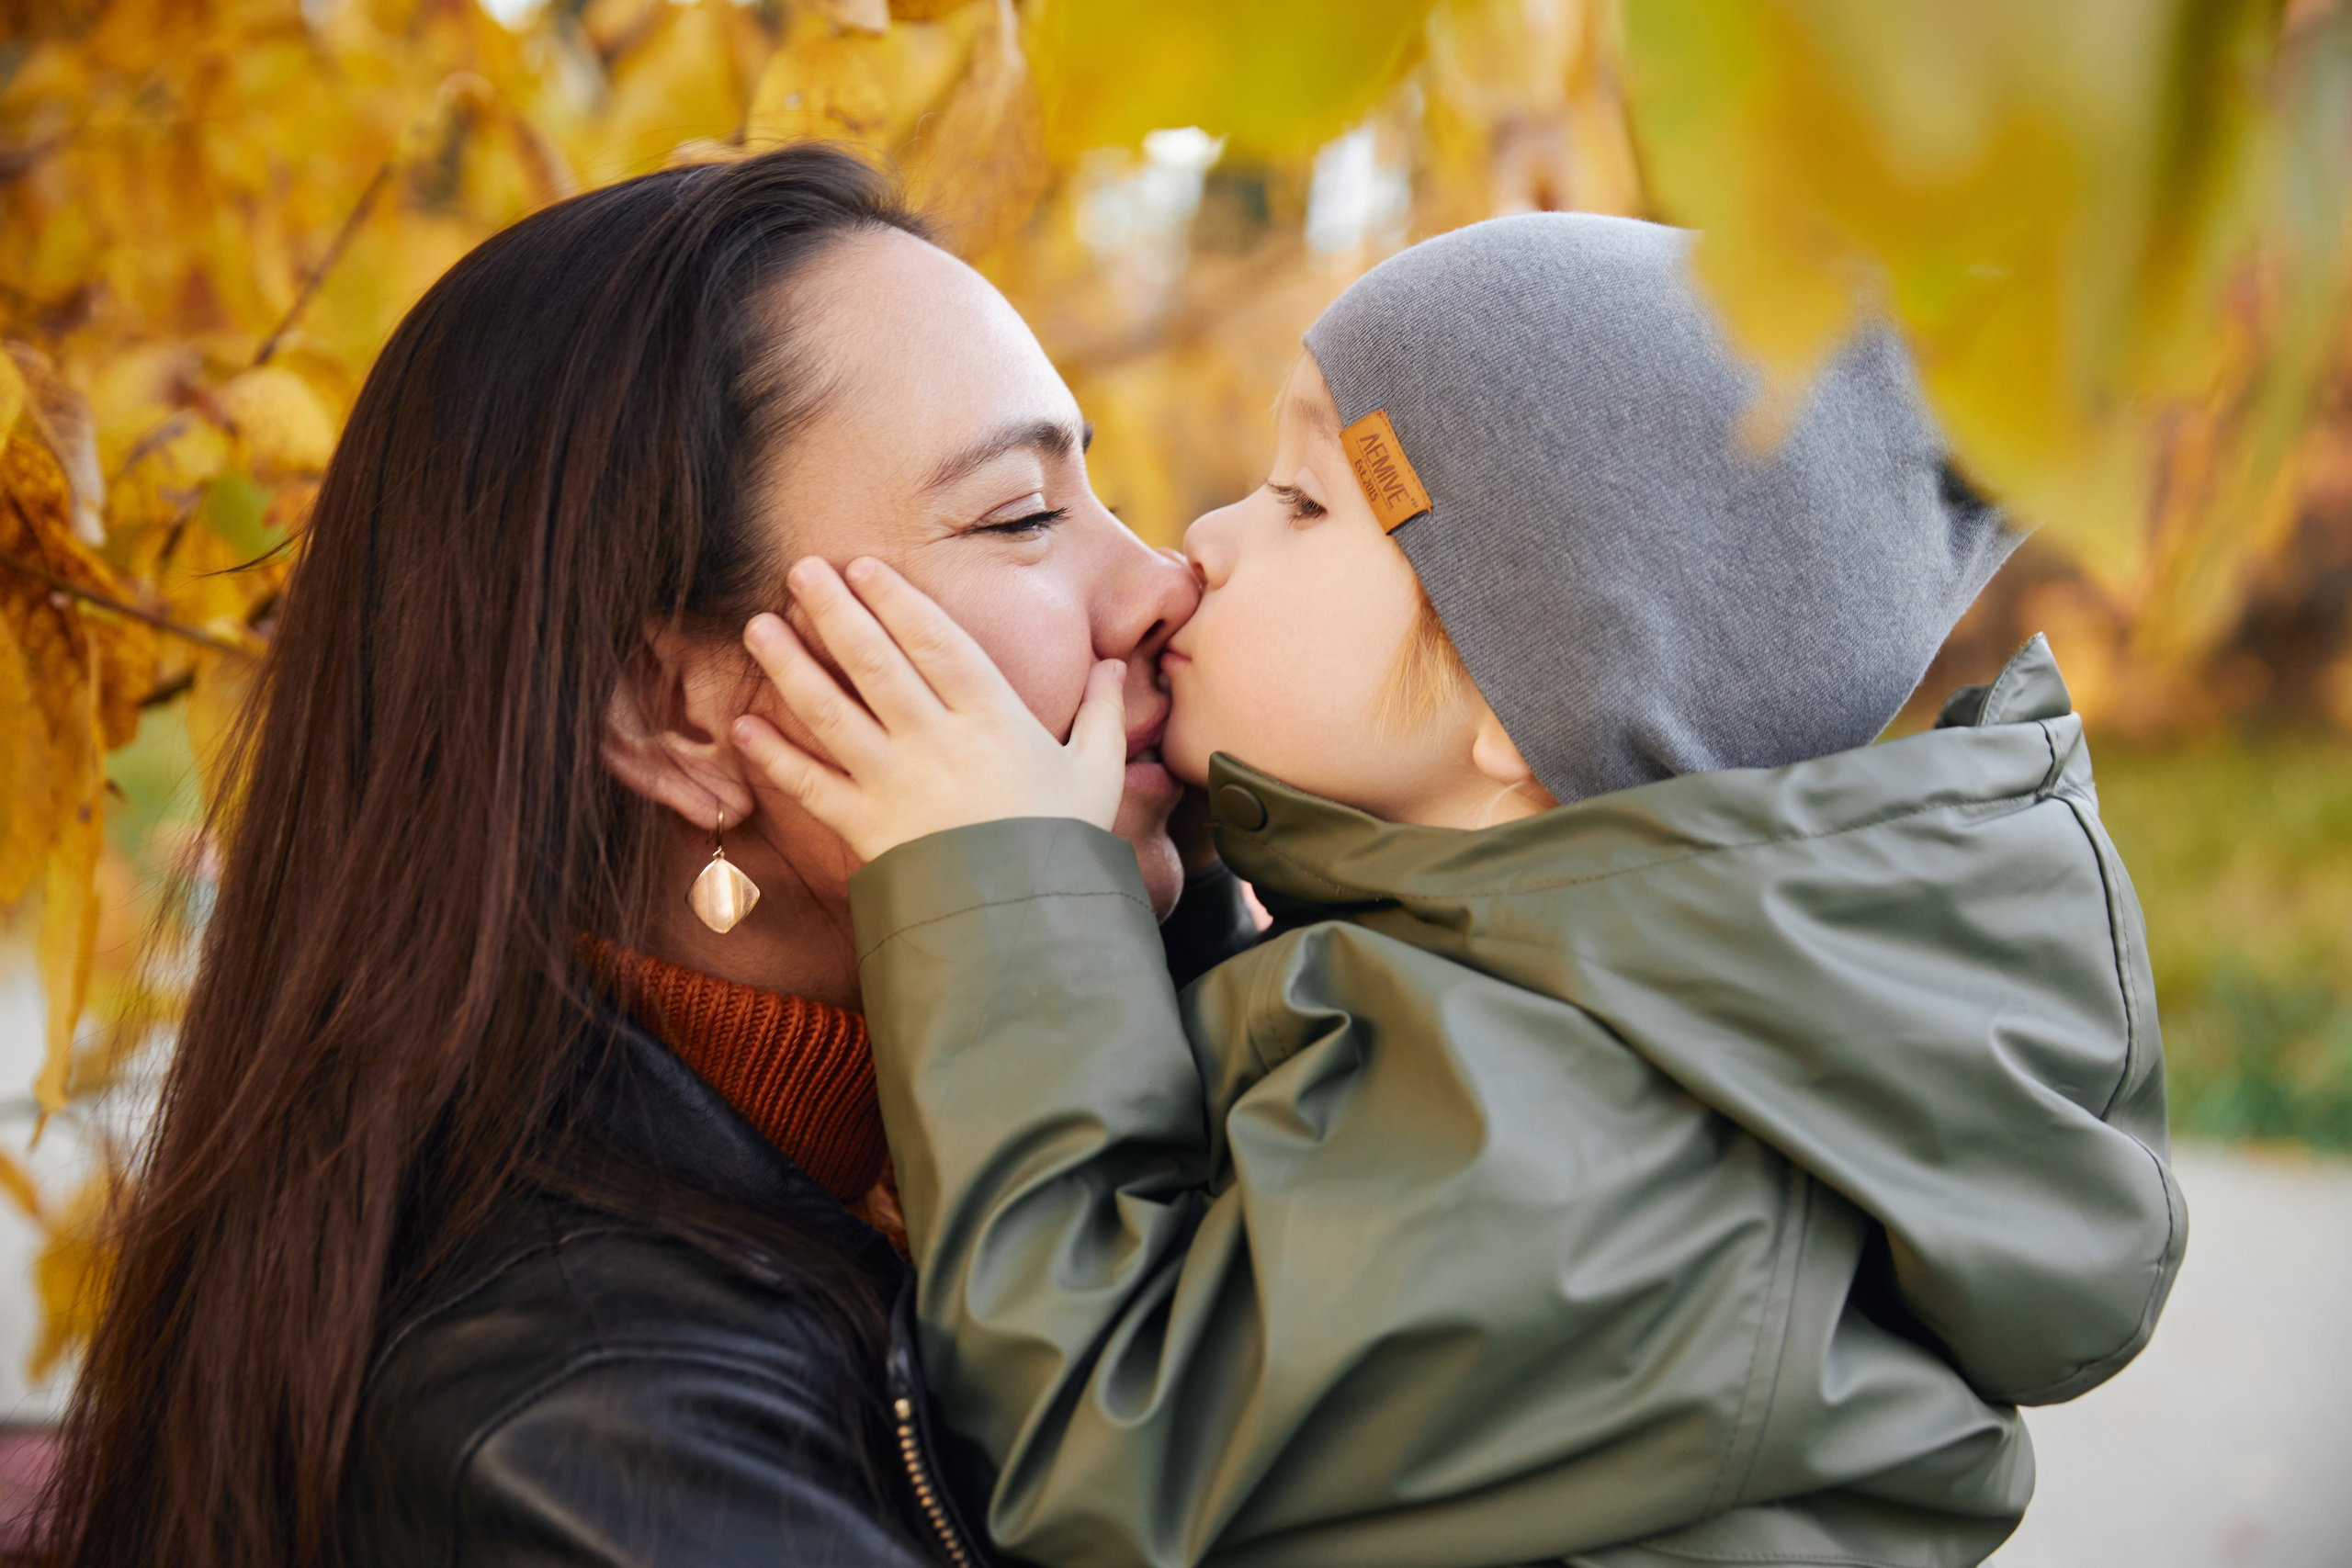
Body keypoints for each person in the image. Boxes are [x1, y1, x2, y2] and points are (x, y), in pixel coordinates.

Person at [733, 214, 2188, 1566]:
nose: (1203, 546)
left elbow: (1110, 1437)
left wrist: (1000, 893)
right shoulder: (1536, 1025)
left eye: (1306, 501)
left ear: (1524, 700)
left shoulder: (1574, 1137)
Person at [37, 145, 1210, 1568]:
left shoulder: (970, 1183)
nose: (1161, 581)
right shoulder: (578, 1436)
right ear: (679, 716)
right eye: (1022, 514)